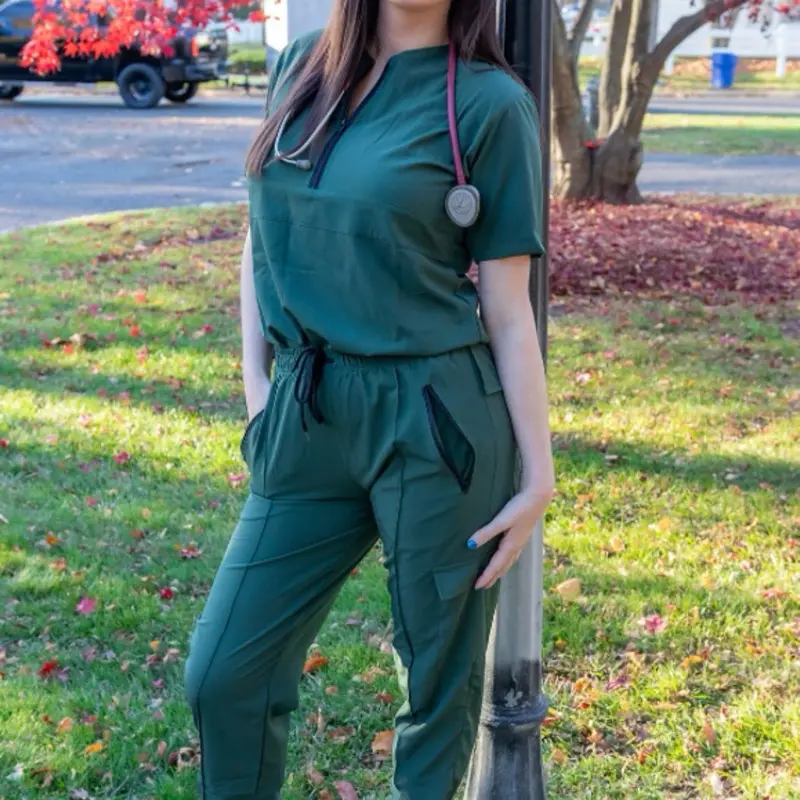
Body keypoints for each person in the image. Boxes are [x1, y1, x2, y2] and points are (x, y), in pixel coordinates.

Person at [183, 0, 555, 797]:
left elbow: (509, 308)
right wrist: (258, 387)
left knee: (436, 687)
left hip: (436, 418)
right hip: (307, 410)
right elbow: (260, 229)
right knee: (223, 676)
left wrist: (539, 475)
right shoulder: (301, 66)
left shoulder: (490, 104)